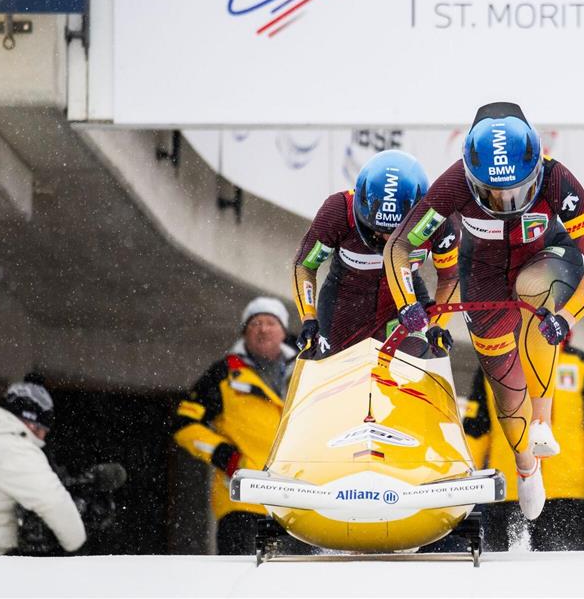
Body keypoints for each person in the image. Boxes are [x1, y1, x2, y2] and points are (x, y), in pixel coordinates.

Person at [384, 102, 584, 519]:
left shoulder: (557, 178)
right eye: (494, 192)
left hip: (547, 255)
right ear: (472, 178)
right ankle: (527, 468)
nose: (508, 200)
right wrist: (407, 304)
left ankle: (543, 420)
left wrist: (567, 317)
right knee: (506, 389)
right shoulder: (453, 184)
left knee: (539, 292)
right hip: (485, 270)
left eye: (518, 189)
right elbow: (400, 248)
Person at [463, 333, 584, 550]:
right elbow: (475, 432)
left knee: (560, 569)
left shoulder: (582, 365)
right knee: (504, 571)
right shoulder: (494, 366)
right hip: (508, 492)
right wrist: (463, 482)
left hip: (566, 495)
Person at [173, 296, 307, 555]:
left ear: (283, 331)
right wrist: (222, 454)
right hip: (244, 500)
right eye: (255, 323)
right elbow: (184, 423)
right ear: (245, 332)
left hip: (297, 500)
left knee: (292, 584)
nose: (263, 329)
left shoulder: (307, 369)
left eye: (270, 322)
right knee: (242, 580)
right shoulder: (224, 373)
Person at [292, 149, 459, 357]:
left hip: (404, 309)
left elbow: (451, 276)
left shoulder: (438, 220)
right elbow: (305, 265)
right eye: (379, 231)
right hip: (344, 311)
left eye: (399, 231)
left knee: (414, 373)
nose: (388, 240)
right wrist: (308, 317)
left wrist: (436, 323)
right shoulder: (338, 211)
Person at [0, 379, 86, 555]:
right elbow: (53, 502)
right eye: (43, 429)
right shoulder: (16, 450)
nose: (43, 438)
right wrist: (76, 544)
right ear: (32, 423)